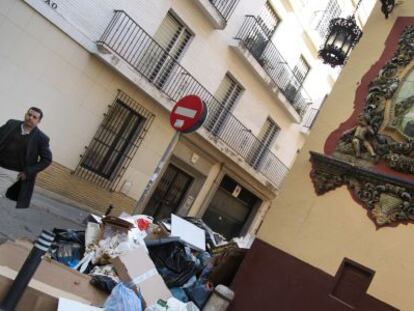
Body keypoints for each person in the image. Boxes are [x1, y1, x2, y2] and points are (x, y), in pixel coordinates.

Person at [0, 108, 52, 208]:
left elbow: (47, 159)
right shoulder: (11, 124)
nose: (30, 118)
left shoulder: (41, 138)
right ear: (25, 114)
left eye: (34, 117)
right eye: (29, 115)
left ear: (38, 121)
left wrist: (28, 171)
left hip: (11, 173)